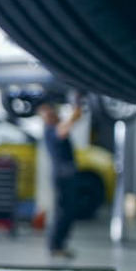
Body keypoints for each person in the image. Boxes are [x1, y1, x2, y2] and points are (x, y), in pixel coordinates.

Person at [38, 99, 84, 258]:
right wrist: (74, 116)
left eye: (53, 112)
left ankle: (59, 245)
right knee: (62, 212)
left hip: (67, 175)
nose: (53, 115)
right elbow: (62, 130)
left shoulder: (54, 127)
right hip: (62, 177)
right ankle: (54, 245)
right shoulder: (50, 130)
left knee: (68, 212)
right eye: (49, 114)